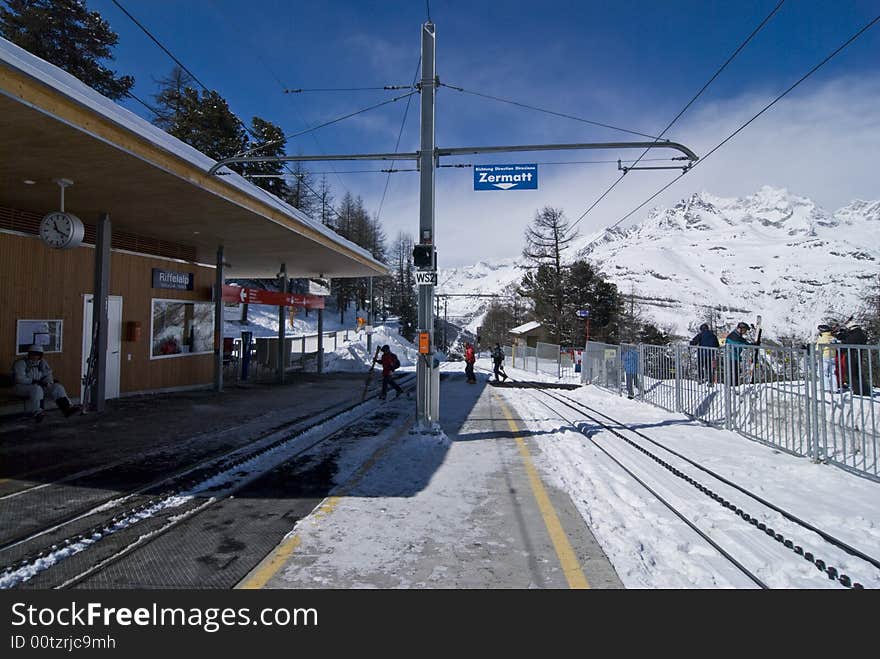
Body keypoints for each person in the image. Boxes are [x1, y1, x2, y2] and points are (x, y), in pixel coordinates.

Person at [12, 345, 81, 422]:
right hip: (20, 387)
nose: (35, 356)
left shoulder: (42, 363)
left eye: (38, 354)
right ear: (29, 354)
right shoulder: (21, 363)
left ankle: (67, 408)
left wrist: (49, 382)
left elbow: (48, 374)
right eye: (33, 354)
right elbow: (19, 379)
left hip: (38, 387)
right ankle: (38, 412)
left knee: (57, 387)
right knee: (36, 388)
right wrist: (35, 381)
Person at [725, 322, 755, 386]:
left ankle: (733, 388)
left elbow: (744, 343)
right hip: (731, 358)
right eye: (745, 330)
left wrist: (753, 345)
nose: (745, 332)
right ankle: (732, 389)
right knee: (733, 374)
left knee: (735, 373)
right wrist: (752, 345)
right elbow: (742, 344)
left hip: (734, 357)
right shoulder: (733, 336)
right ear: (741, 329)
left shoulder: (737, 335)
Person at [816, 324, 839, 392]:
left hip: (824, 356)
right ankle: (834, 388)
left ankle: (826, 388)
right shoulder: (833, 338)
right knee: (832, 373)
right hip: (833, 356)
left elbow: (818, 349)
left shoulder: (823, 338)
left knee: (823, 372)